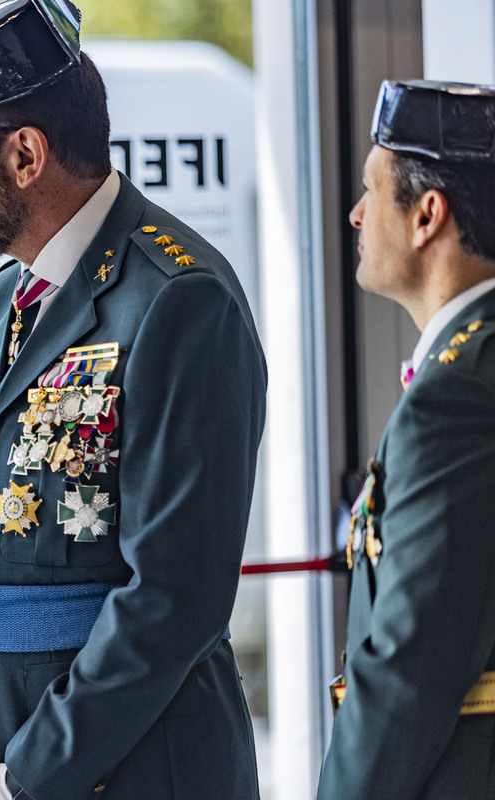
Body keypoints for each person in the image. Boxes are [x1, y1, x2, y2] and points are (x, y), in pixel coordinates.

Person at [0, 0, 267, 797]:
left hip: (124, 769)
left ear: (25, 155)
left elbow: (173, 597)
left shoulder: (177, 299)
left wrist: (25, 777)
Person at [317, 80, 495, 799]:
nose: (357, 214)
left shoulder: (452, 399)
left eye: (371, 189)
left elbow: (404, 673)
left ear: (427, 215)